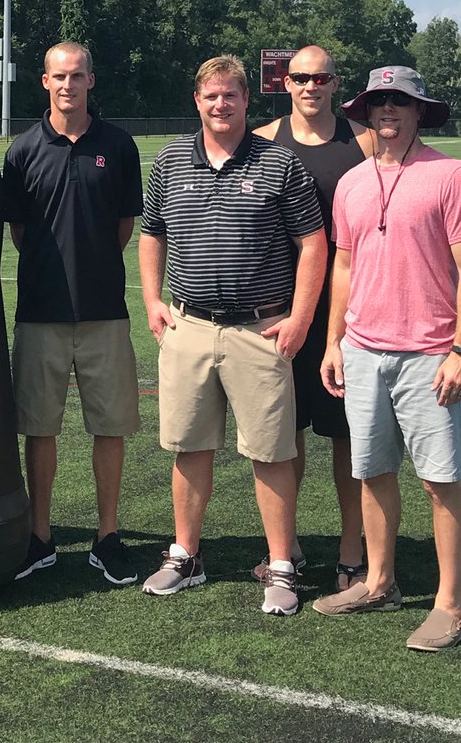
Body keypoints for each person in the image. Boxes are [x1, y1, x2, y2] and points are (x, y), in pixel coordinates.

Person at [139, 54, 327, 616]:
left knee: (271, 452)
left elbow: (313, 243)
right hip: (190, 324)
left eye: (230, 95)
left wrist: (300, 317)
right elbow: (152, 233)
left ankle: (282, 565)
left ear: (247, 99)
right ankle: (185, 556)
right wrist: (151, 300)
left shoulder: (279, 162)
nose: (220, 104)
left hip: (259, 329)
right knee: (189, 446)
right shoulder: (171, 159)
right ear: (196, 101)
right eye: (211, 96)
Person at [312, 66, 461, 651]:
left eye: (400, 101)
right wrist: (333, 341)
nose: (389, 110)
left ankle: (450, 604)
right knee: (372, 472)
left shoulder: (449, 175)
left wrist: (458, 348)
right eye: (379, 102)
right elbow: (343, 266)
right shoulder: (352, 182)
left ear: (420, 110)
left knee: (440, 481)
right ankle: (379, 582)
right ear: (367, 112)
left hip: (430, 352)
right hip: (363, 350)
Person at [3, 42, 144, 585]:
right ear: (45, 81)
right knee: (39, 428)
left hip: (105, 310)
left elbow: (123, 226)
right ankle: (40, 536)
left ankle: (107, 536)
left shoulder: (118, 145)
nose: (68, 84)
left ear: (91, 80)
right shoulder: (22, 149)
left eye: (77, 75)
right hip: (41, 312)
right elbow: (20, 231)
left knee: (110, 427)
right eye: (59, 76)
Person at [254, 45, 374, 589]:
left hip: (347, 310)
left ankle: (352, 547)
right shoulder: (263, 140)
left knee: (348, 434)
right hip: (281, 310)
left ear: (334, 84)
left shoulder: (362, 141)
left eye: (320, 78)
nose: (310, 86)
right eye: (300, 77)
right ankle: (289, 546)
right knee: (287, 432)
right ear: (286, 82)